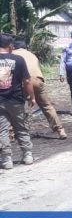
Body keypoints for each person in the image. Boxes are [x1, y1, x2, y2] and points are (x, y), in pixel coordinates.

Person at [12, 41, 67, 139]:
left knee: (14, 106)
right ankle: (60, 130)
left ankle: (11, 134)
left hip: (23, 82)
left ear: (13, 47)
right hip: (38, 80)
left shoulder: (12, 54)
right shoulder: (32, 55)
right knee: (47, 106)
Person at [0, 34, 35, 169]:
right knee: (20, 127)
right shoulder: (19, 60)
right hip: (16, 100)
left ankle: (6, 159)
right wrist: (31, 97)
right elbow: (26, 81)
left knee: (2, 130)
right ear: (10, 46)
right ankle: (27, 155)